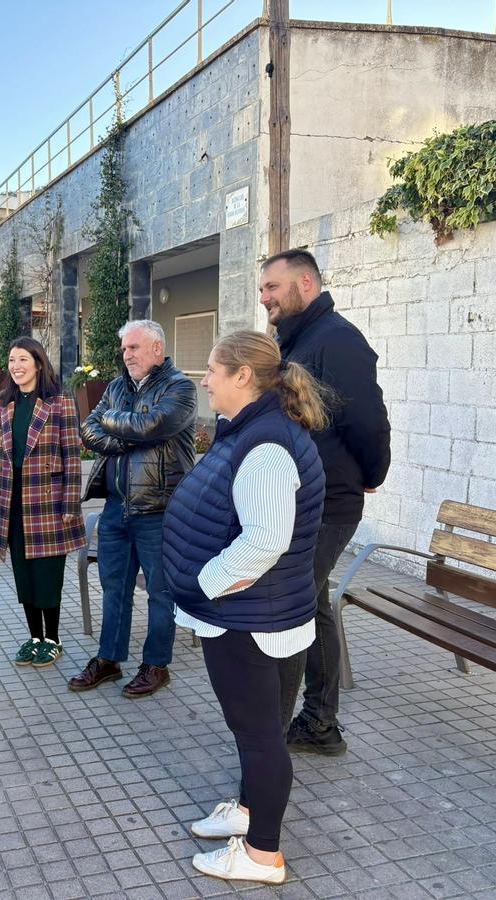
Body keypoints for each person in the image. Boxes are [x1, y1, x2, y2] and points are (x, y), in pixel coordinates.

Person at [163, 330, 327, 884]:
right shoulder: (253, 429)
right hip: (252, 613)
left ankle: (262, 855)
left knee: (259, 736)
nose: (204, 379)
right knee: (253, 730)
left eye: (213, 370)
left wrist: (203, 584)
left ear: (243, 376)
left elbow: (264, 541)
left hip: (249, 618)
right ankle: (250, 811)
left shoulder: (267, 447)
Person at [259, 249, 391, 756]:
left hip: (329, 501)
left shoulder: (337, 339)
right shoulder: (294, 340)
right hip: (298, 497)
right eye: (263, 289)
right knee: (310, 603)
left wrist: (371, 475)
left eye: (273, 287)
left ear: (306, 284)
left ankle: (287, 731)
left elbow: (368, 421)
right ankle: (320, 722)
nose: (265, 298)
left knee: (293, 604)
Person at [69, 320, 196, 697]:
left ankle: (156, 665)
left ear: (157, 348)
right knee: (114, 588)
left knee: (161, 591)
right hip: (115, 509)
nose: (127, 355)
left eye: (134, 348)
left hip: (160, 510)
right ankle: (109, 659)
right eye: (124, 348)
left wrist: (113, 423)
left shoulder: (180, 387)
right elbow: (88, 429)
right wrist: (127, 436)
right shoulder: (116, 387)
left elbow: (153, 424)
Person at [0, 338, 86, 667]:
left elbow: (72, 456)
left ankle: (52, 639)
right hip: (13, 501)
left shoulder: (59, 401)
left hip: (48, 503)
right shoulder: (3, 402)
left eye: (23, 359)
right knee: (24, 574)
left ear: (38, 364)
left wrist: (70, 504)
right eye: (12, 360)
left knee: (47, 575)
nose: (16, 366)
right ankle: (34, 637)